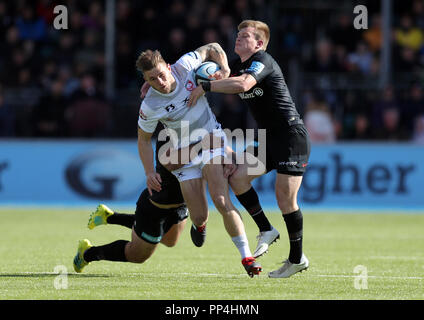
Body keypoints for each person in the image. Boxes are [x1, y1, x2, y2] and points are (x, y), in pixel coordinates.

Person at [188, 20, 311, 278]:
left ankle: (297, 258)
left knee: (285, 199)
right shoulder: (241, 67)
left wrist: (206, 87)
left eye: (245, 36)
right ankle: (266, 229)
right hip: (268, 139)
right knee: (237, 176)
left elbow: (242, 85)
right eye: (238, 35)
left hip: (290, 136)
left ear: (259, 43)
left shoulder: (262, 60)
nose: (239, 38)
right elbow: (222, 70)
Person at [135, 44, 261, 277]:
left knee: (222, 201)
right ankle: (199, 224)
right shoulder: (150, 105)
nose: (160, 82)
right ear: (146, 81)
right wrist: (148, 172)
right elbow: (143, 140)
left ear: (169, 67)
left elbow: (213, 47)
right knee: (200, 214)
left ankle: (247, 257)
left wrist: (224, 69)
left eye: (161, 75)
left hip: (211, 141)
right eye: (152, 79)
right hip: (185, 153)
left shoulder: (185, 66)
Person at [73, 135, 188, 272]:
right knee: (138, 255)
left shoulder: (206, 127)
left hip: (181, 201)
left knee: (170, 240)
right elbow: (145, 138)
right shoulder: (173, 129)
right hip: (158, 203)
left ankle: (109, 217)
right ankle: (87, 254)